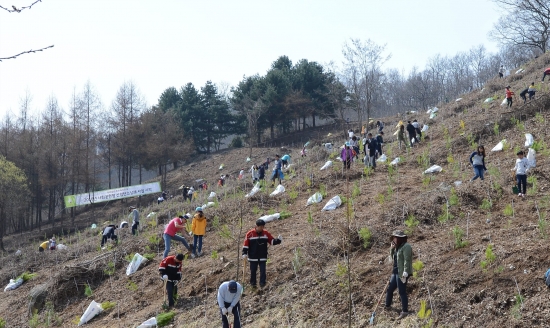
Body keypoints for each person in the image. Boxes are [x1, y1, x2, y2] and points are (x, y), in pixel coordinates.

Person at [242, 219, 282, 288]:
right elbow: (245, 245)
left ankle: (262, 284)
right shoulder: (250, 234)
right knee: (253, 271)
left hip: (262, 255)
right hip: (253, 257)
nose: (262, 228)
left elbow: (271, 241)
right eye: (260, 227)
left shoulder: (266, 233)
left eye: (263, 226)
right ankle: (253, 284)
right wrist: (244, 253)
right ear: (256, 226)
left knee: (263, 271)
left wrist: (278, 240)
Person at [385, 230, 412, 320]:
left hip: (402, 272)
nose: (393, 239)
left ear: (400, 238)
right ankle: (387, 306)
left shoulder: (406, 247)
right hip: (395, 272)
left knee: (402, 291)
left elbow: (407, 260)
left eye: (395, 237)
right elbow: (392, 258)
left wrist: (405, 272)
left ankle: (405, 311)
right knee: (390, 289)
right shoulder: (398, 247)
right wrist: (392, 249)